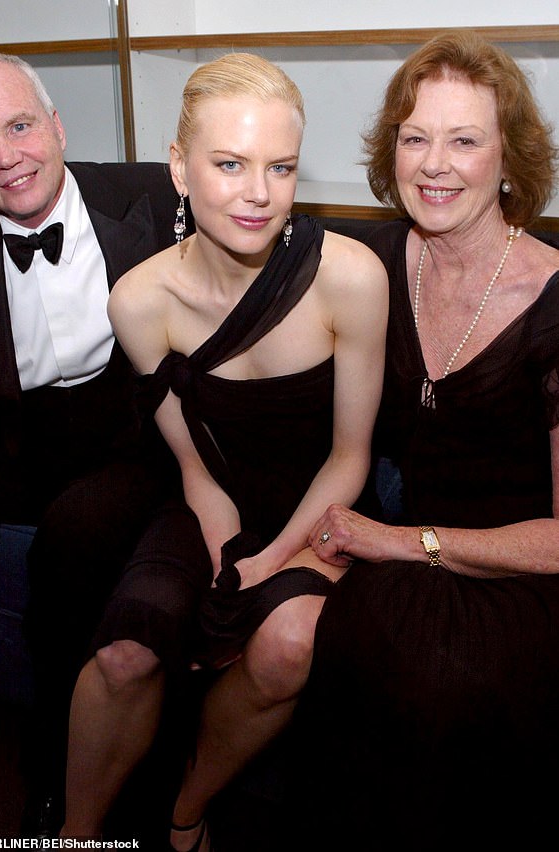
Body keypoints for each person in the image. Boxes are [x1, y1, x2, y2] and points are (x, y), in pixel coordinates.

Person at [59, 52, 387, 845]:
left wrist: (269, 563)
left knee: (284, 645)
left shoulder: (351, 277)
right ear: (179, 167)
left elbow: (350, 458)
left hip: (324, 503)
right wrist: (218, 536)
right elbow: (193, 465)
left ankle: (186, 809)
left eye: (280, 167)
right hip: (215, 494)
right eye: (229, 164)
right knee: (125, 652)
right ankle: (73, 833)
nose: (258, 193)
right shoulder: (138, 301)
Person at [298, 29, 559, 851]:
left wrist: (397, 540)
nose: (434, 163)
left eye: (464, 140)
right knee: (354, 645)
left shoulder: (552, 301)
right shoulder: (372, 261)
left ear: (509, 160)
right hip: (397, 553)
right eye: (416, 137)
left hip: (517, 572)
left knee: (443, 682)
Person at [0, 51, 183, 835]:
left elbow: (273, 242)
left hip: (136, 436)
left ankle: (58, 773)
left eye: (19, 126)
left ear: (57, 124)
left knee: (74, 538)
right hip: (17, 437)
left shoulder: (159, 196)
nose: (5, 159)